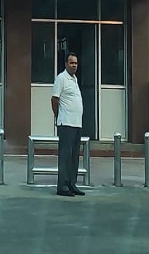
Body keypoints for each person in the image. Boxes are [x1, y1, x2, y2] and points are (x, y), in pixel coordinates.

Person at [51, 52, 85, 197]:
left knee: (74, 156)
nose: (74, 65)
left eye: (76, 63)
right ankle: (63, 186)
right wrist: (58, 116)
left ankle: (72, 183)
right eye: (71, 63)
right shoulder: (61, 78)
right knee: (65, 155)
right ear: (66, 64)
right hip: (66, 123)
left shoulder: (75, 79)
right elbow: (54, 99)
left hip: (77, 123)